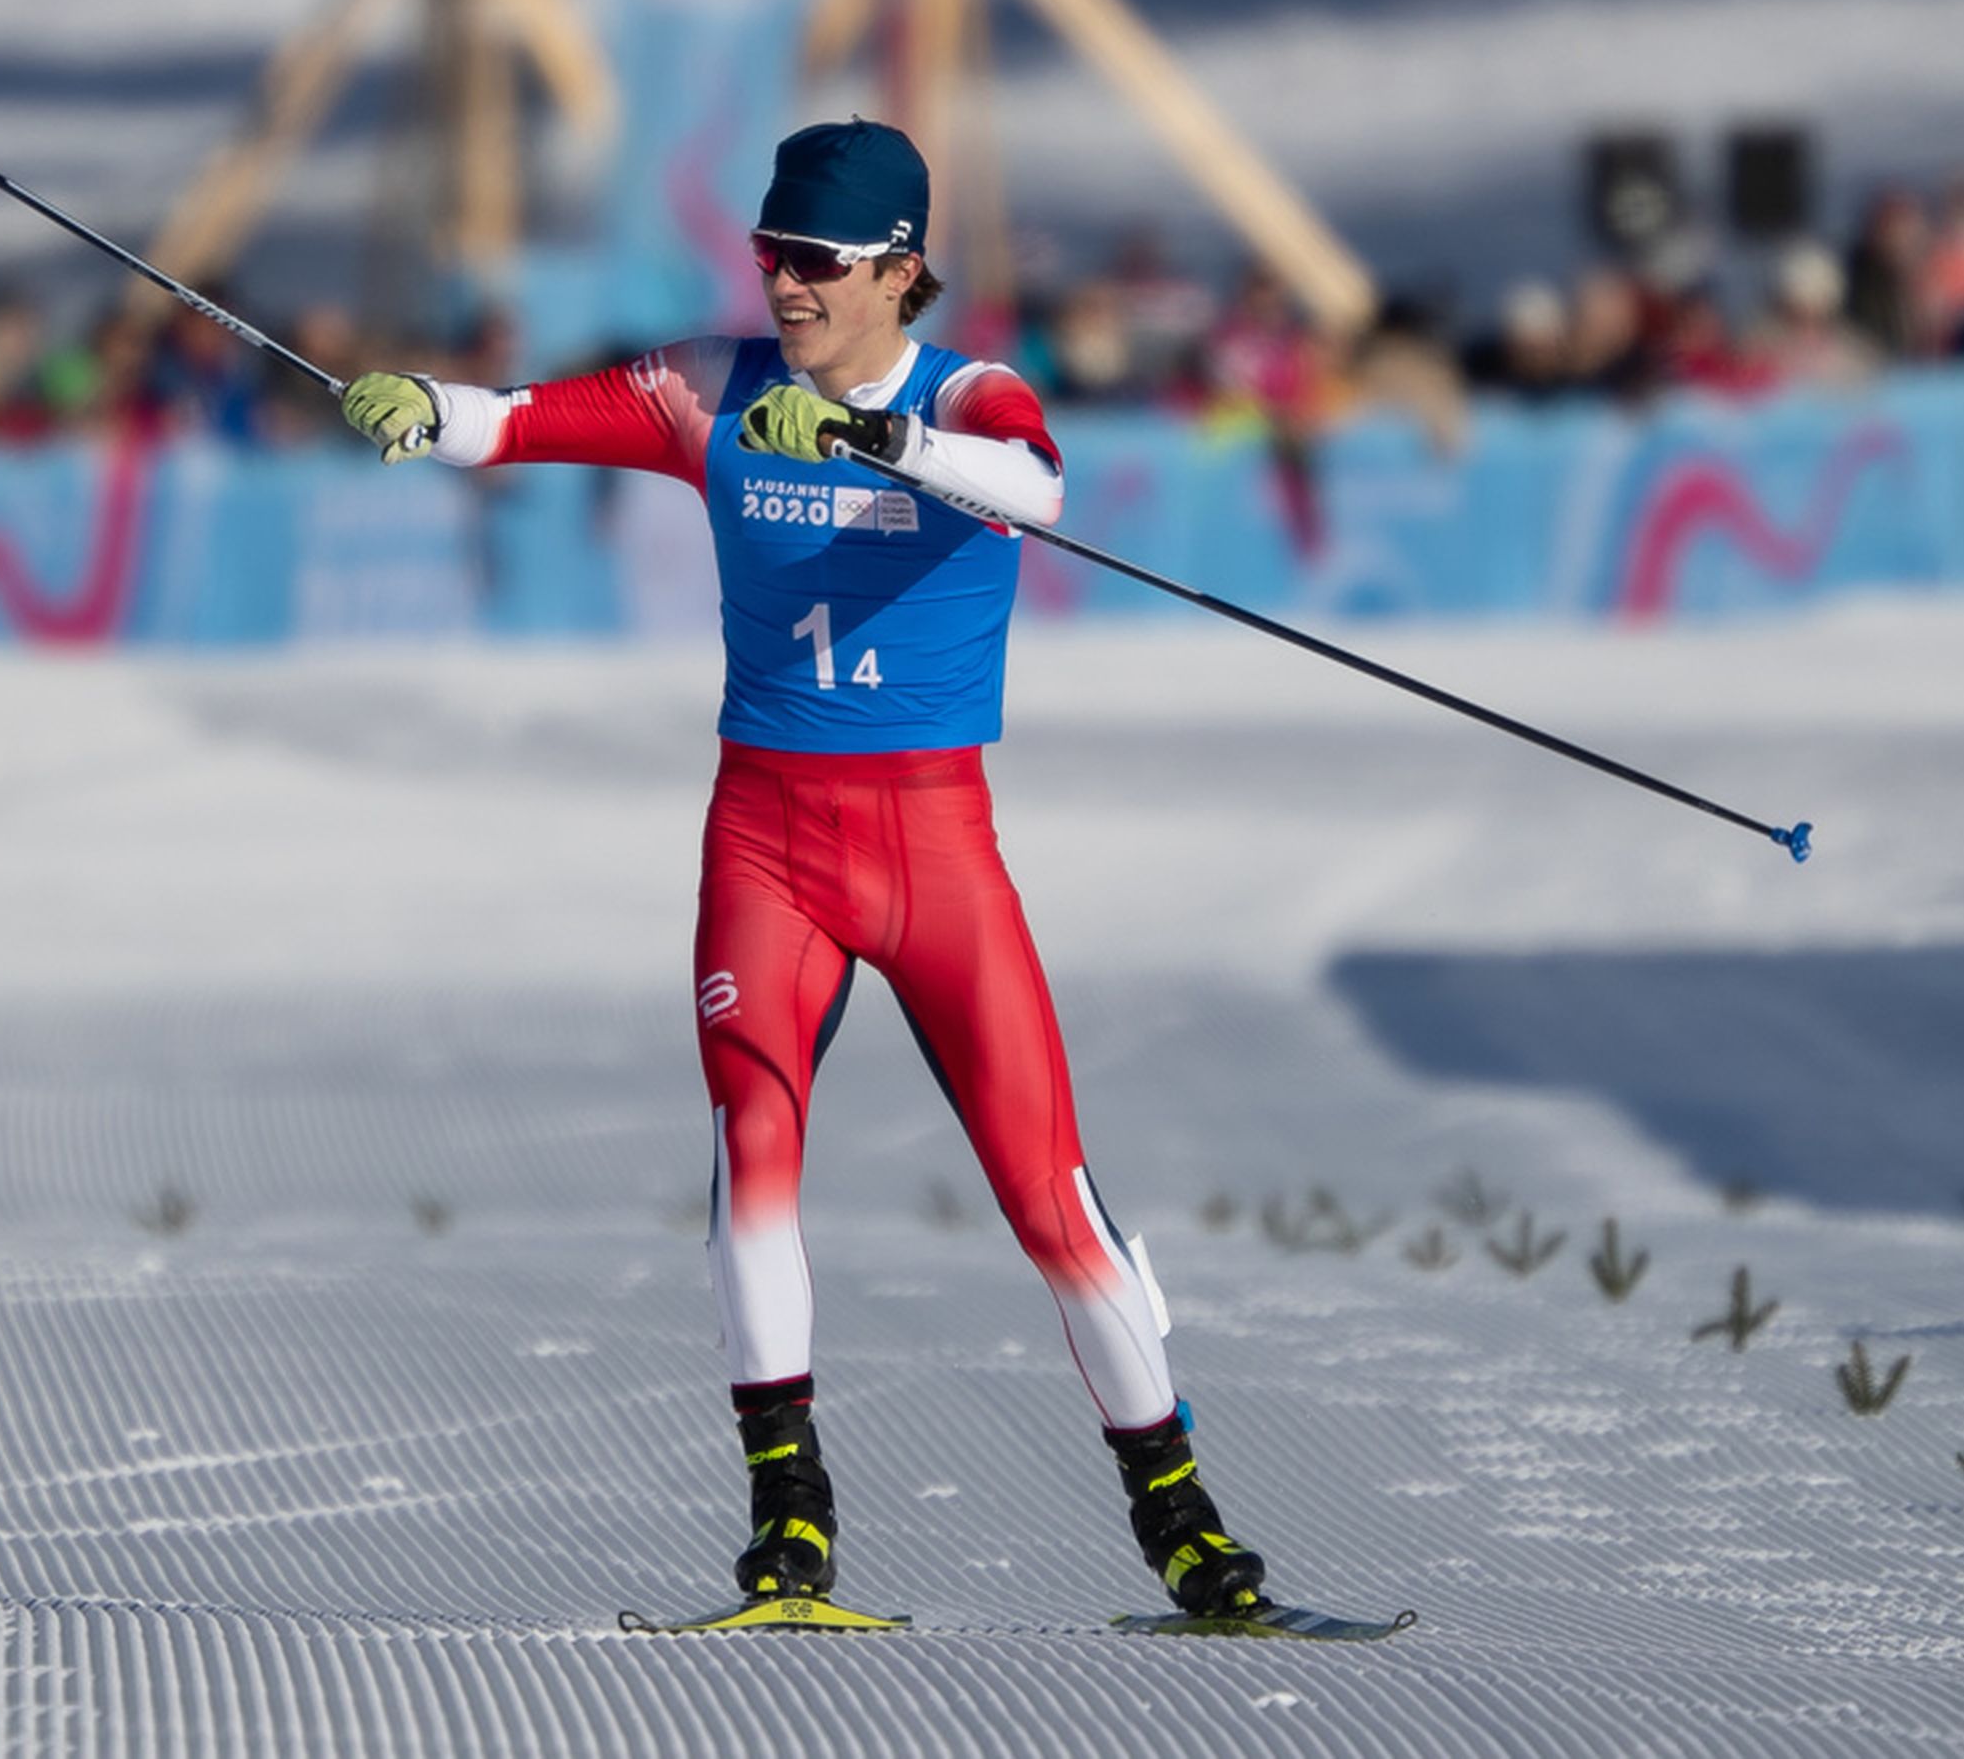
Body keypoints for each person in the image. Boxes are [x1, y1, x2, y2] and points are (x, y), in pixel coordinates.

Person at [336, 119, 1270, 1622]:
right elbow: (518, 417)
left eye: (818, 264)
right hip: (768, 843)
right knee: (752, 1160)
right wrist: (418, 409)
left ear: (902, 270)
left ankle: (1181, 1515)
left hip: (936, 849)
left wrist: (866, 437)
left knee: (1047, 1194)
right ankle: (789, 1523)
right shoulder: (710, 388)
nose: (784, 285)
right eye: (769, 254)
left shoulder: (964, 390)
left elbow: (1034, 486)